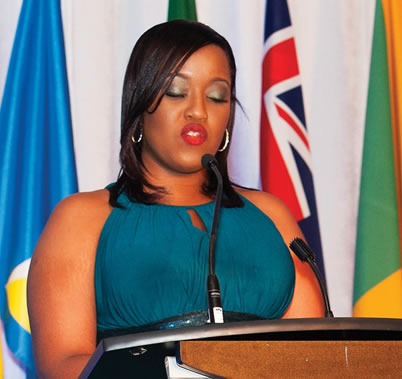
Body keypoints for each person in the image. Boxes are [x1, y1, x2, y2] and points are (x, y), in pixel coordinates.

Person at [27, 20, 323, 378]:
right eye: (176, 92)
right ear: (141, 103)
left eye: (217, 96)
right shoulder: (81, 219)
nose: (198, 111)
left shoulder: (271, 215)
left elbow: (316, 355)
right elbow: (63, 366)